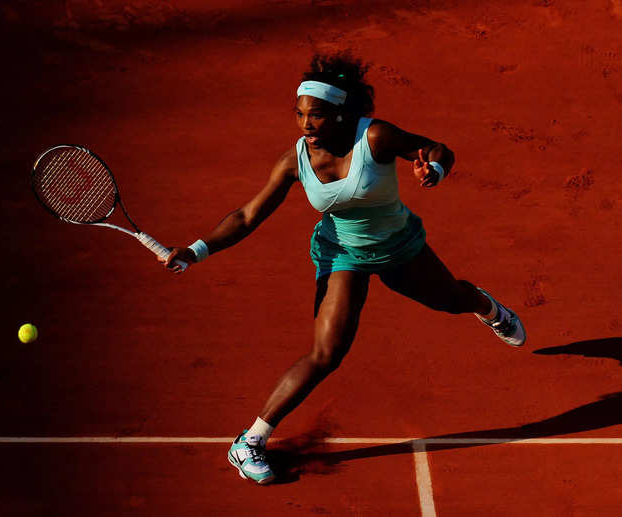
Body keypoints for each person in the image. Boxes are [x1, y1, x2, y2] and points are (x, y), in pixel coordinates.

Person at [162, 52, 526, 485]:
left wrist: (435, 168)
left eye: (315, 116)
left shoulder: (375, 138)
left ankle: (486, 307)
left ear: (340, 114)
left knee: (452, 300)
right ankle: (250, 441)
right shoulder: (294, 161)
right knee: (327, 352)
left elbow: (434, 148)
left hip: (400, 245)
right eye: (299, 115)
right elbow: (247, 216)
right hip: (342, 255)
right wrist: (195, 250)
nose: (305, 125)